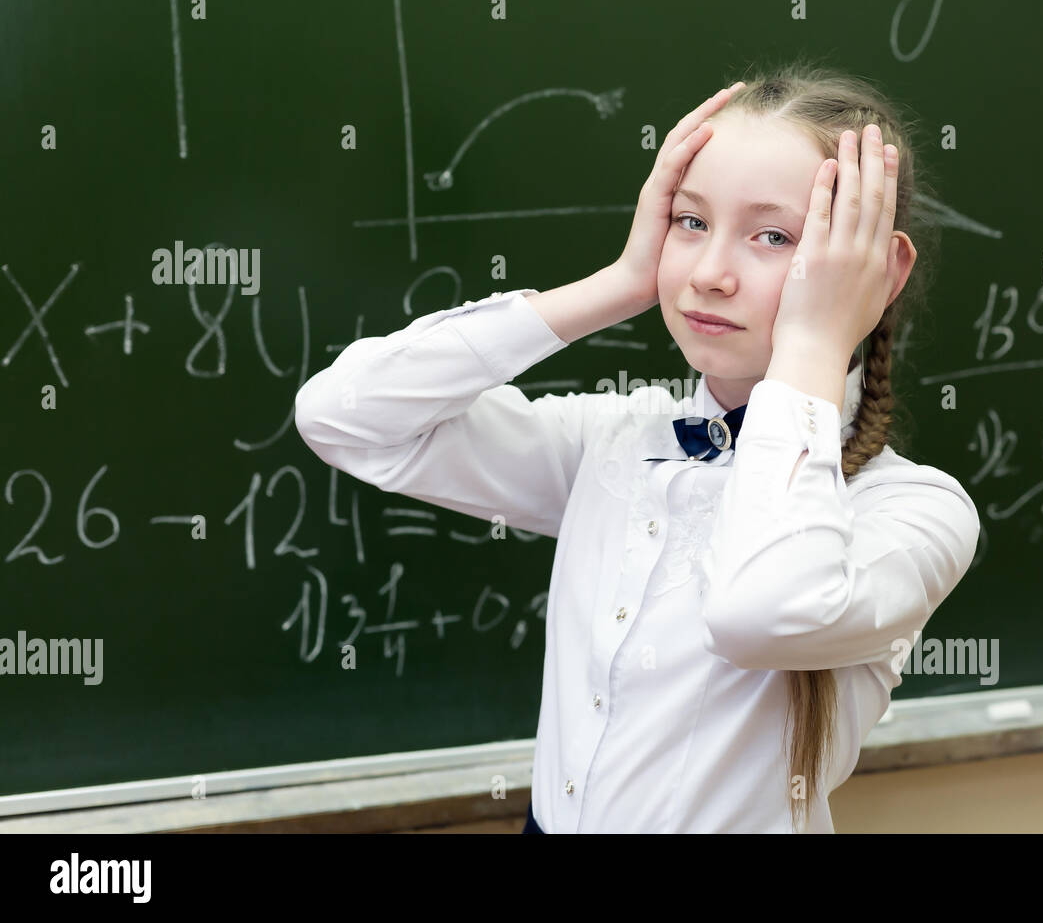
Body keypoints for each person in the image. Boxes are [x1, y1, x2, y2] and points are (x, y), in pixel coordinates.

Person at [294, 61, 980, 833]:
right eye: (691, 223)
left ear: (877, 271)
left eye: (773, 236)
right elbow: (342, 415)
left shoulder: (917, 510)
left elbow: (761, 612)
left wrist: (816, 341)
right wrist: (622, 283)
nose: (710, 274)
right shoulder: (614, 440)